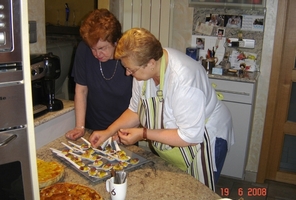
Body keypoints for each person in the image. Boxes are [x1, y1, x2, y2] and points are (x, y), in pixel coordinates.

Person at [89, 28, 234, 191]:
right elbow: (135, 110)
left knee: (198, 192)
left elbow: (190, 136)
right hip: (178, 138)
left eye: (131, 70)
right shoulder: (143, 68)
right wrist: (108, 132)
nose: (127, 73)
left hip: (205, 137)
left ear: (151, 63)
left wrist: (143, 134)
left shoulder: (184, 79)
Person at [65, 9, 132, 141]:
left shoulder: (130, 56)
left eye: (102, 48)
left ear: (116, 41)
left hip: (124, 130)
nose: (96, 54)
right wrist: (80, 126)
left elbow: (139, 105)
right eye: (93, 48)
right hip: (93, 127)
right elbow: (81, 90)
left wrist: (120, 133)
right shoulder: (84, 50)